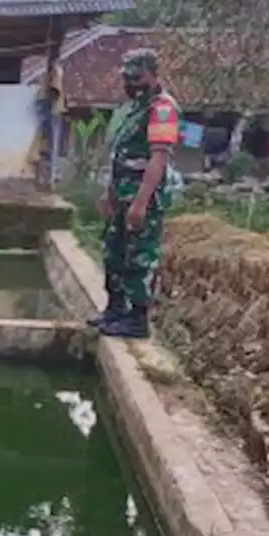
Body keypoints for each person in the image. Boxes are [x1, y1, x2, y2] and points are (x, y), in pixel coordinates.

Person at [90, 48, 182, 340]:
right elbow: (121, 155)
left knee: (139, 256)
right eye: (128, 78)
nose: (132, 84)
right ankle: (114, 310)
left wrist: (141, 202)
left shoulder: (162, 109)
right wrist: (110, 193)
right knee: (113, 251)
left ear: (154, 75)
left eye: (138, 77)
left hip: (143, 197)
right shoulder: (134, 109)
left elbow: (158, 158)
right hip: (122, 192)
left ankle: (136, 319)